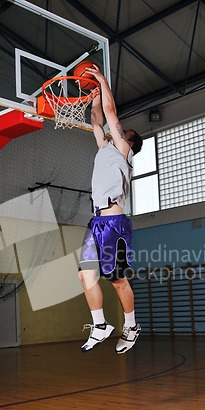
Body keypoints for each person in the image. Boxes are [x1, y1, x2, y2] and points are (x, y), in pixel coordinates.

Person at [78, 64, 143, 354]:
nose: (118, 128)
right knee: (85, 275)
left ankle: (131, 326)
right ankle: (100, 325)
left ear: (129, 141)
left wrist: (103, 80)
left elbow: (110, 112)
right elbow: (96, 118)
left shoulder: (122, 151)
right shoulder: (104, 147)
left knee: (117, 280)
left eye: (123, 131)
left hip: (114, 224)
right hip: (96, 223)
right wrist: (93, 93)